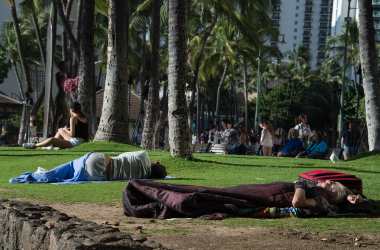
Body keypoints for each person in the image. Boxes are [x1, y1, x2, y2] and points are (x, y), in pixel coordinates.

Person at [10, 150, 167, 183]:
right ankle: (34, 178)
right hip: (98, 176)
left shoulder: (144, 155)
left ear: (156, 163)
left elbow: (121, 156)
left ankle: (29, 177)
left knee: (66, 168)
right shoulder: (143, 178)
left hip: (98, 160)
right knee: (60, 177)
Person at [23, 101, 89, 149]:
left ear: (71, 110)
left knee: (54, 137)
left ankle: (34, 145)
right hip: (81, 141)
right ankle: (51, 146)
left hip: (75, 142)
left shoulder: (73, 118)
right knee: (60, 130)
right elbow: (81, 132)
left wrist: (65, 130)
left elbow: (72, 135)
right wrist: (65, 130)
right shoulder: (84, 117)